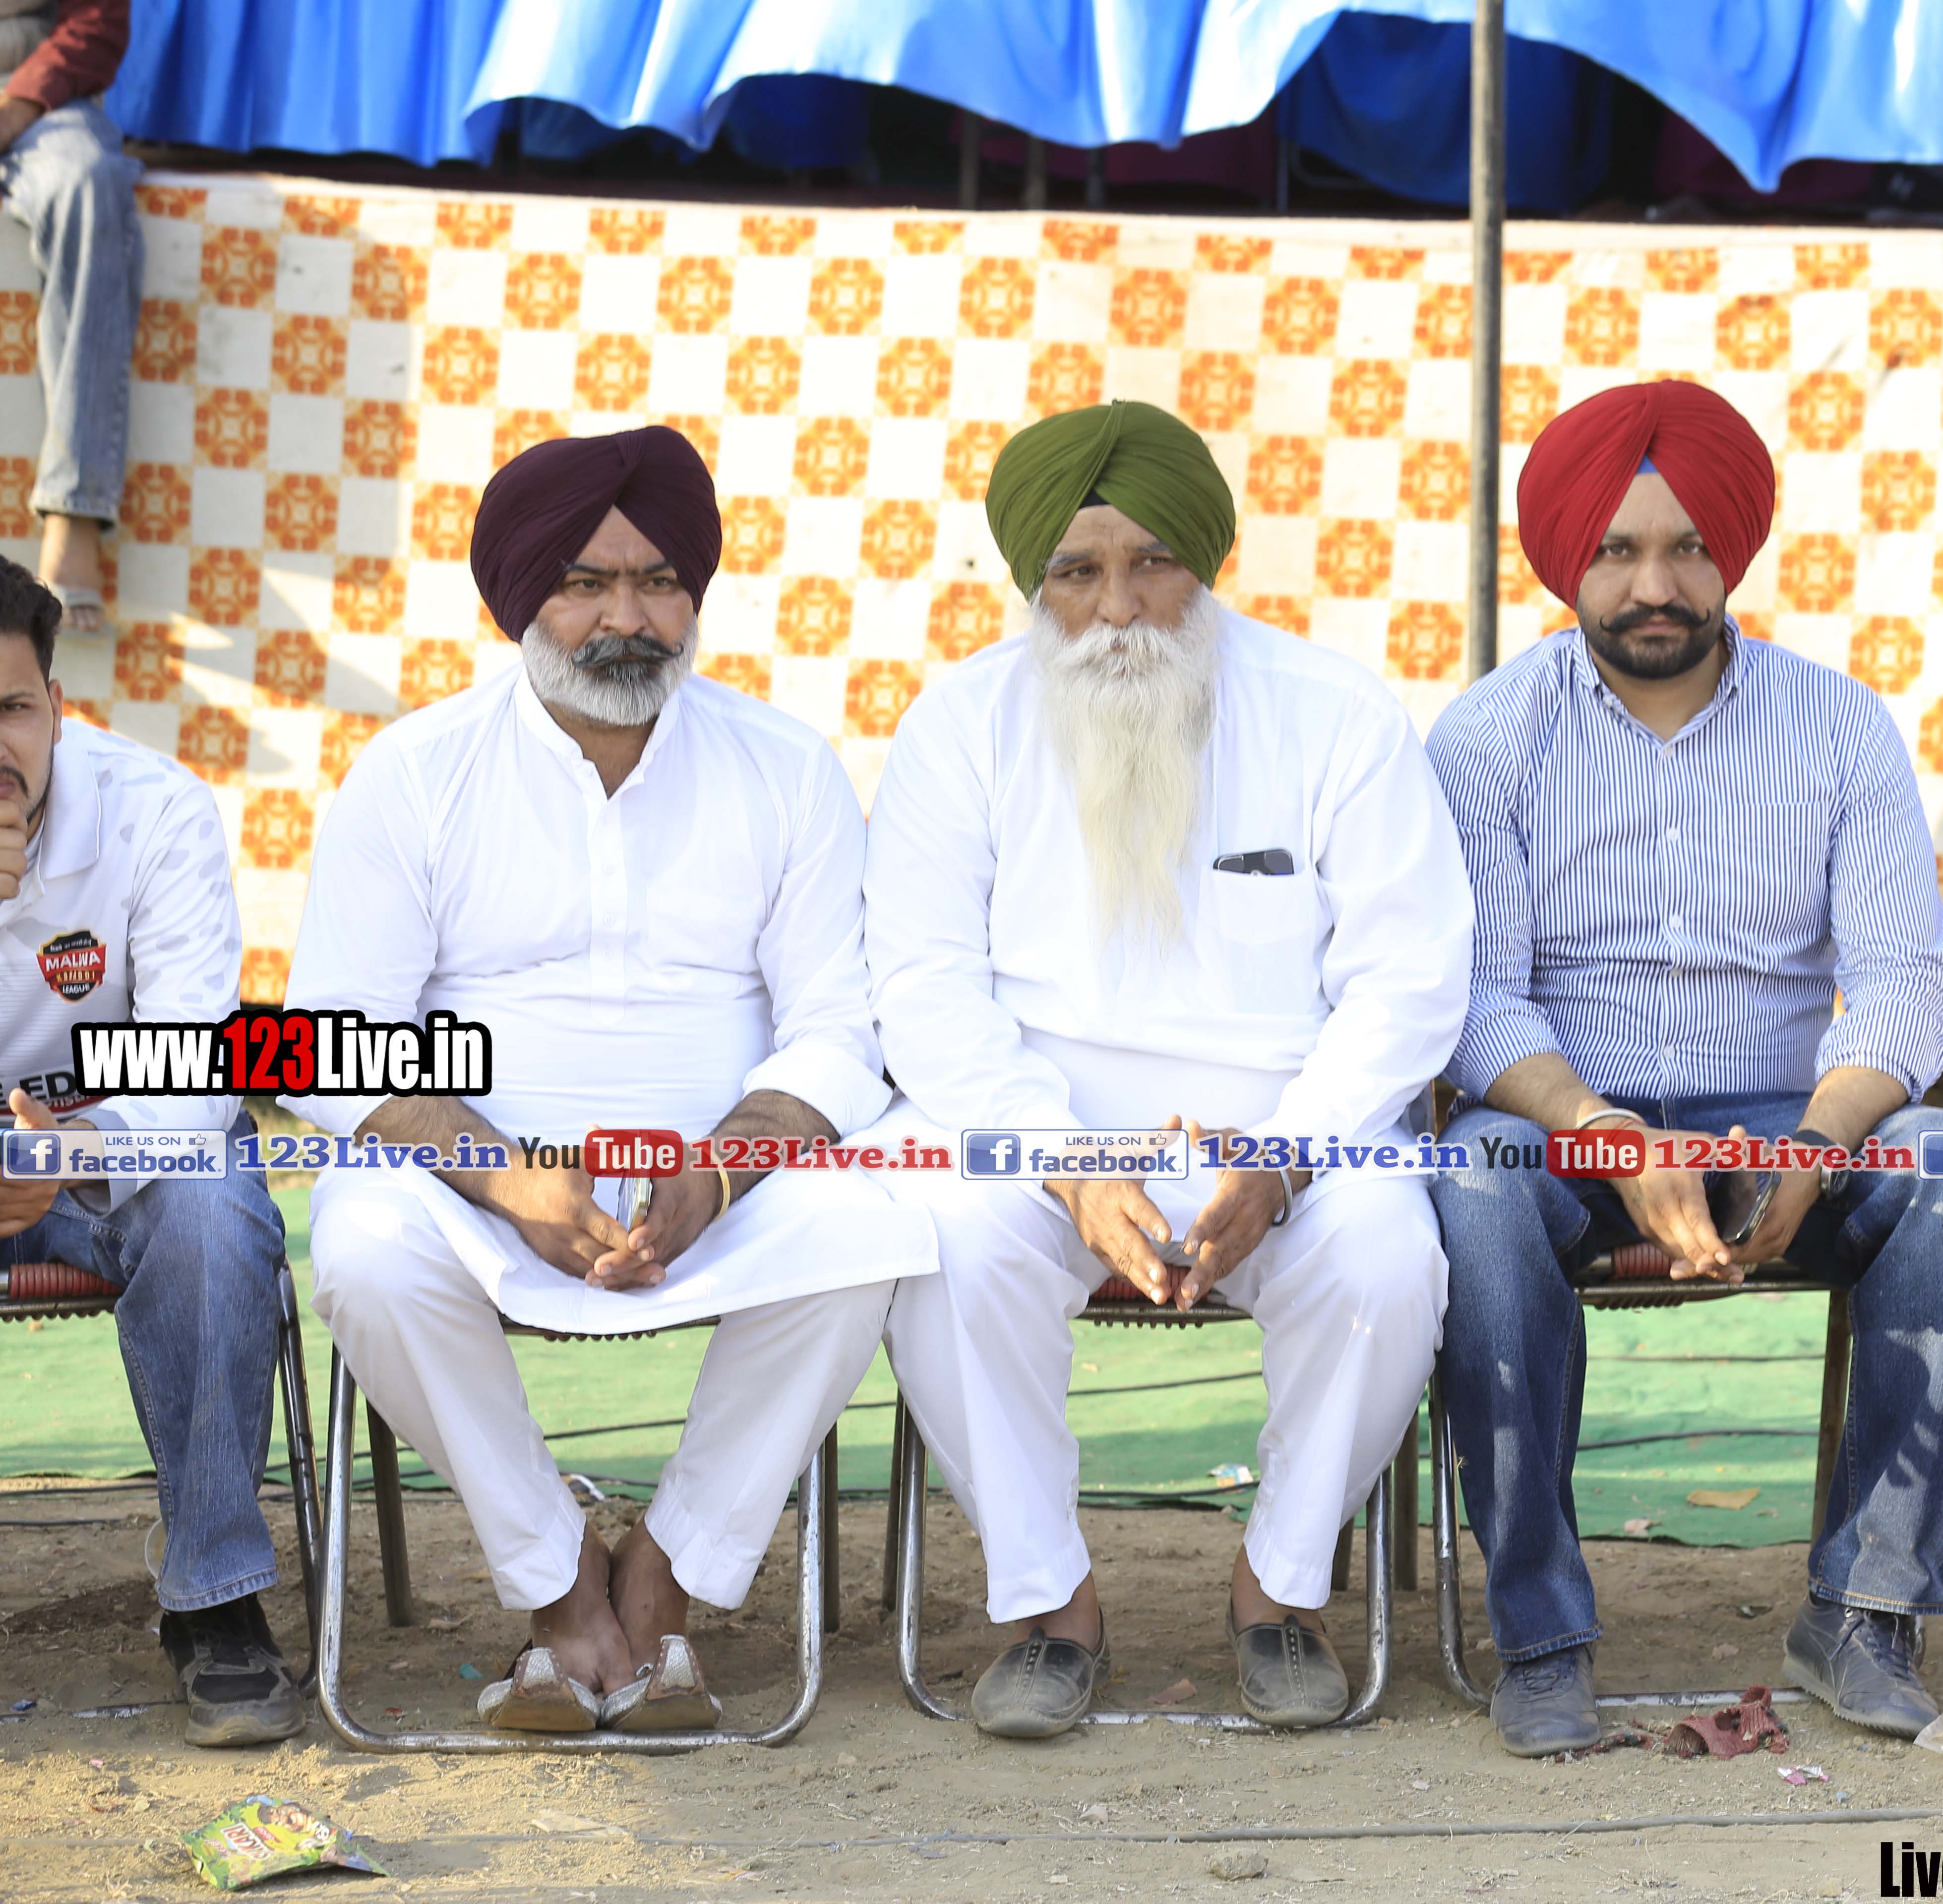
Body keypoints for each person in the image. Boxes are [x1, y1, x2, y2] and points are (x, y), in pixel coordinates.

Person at [282, 428, 934, 1733]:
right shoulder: (415, 771)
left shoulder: (786, 767)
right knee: (362, 1253)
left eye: (658, 583)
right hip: (475, 1187)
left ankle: (666, 1577)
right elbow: (329, 1040)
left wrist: (721, 1169)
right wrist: (506, 1177)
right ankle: (561, 1583)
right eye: (585, 584)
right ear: (523, 597)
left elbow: (837, 1028)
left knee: (870, 1233)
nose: (626, 620)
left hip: (721, 1190)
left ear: (696, 594)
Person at [1425, 380, 1943, 1757]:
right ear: (1565, 558)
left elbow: (1904, 981)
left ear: (1733, 552)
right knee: (1473, 1180)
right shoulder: (1486, 738)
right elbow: (1471, 1001)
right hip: (1567, 1123)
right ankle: (1541, 1635)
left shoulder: (1837, 724)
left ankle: (1863, 1611)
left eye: (1688, 547)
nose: (1655, 585)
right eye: (1618, 550)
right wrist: (1605, 1129)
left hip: (1784, 1122)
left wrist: (1818, 1140)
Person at [866, 399, 1470, 1736]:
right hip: (1036, 1136)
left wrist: (1291, 1152)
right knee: (945, 1241)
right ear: (1033, 581)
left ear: (1207, 560)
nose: (1120, 607)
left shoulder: (1333, 713)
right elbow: (921, 986)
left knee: (1385, 1258)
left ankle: (1281, 1590)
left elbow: (1410, 974)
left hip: (1290, 1132)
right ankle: (1049, 1607)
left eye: (1153, 564)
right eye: (1078, 572)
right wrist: (1066, 1162)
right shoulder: (959, 725)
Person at [0, 554, 299, 1745]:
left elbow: (200, 1072)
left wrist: (60, 1153)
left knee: (216, 1211)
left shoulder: (155, 809)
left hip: (106, 1153)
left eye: (11, 708)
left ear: (56, 707)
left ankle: (215, 1599)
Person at [0, 1, 138, 633]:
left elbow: (97, 23)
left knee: (88, 184)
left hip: (36, 92)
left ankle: (74, 506)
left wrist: (17, 107)